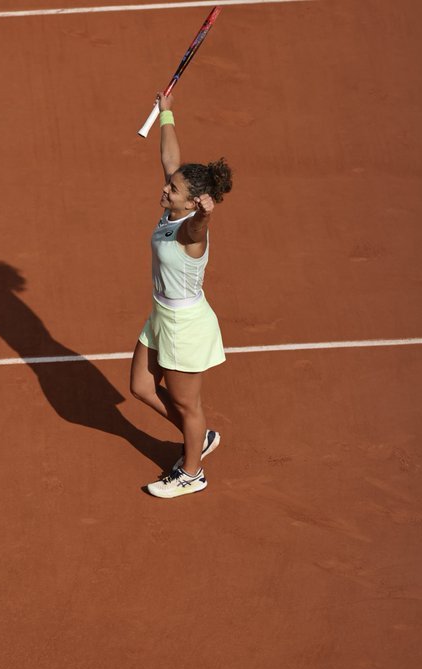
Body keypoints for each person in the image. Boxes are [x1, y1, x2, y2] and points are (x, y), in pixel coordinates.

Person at [130, 93, 232, 499]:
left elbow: (198, 228)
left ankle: (192, 472)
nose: (165, 188)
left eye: (173, 189)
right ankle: (198, 437)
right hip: (162, 315)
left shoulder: (191, 231)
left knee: (188, 405)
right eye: (169, 184)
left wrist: (205, 213)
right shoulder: (174, 208)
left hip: (184, 326)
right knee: (141, 386)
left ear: (191, 202)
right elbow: (170, 159)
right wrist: (166, 112)